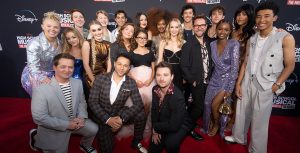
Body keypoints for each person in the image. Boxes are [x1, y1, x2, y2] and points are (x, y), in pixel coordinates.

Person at [225, 2, 295, 153]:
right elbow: (245, 62)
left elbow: (290, 65)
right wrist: (239, 83)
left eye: (267, 16)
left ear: (275, 17)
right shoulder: (253, 38)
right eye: (258, 16)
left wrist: (277, 84)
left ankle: (257, 149)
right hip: (247, 81)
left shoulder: (285, 37)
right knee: (241, 112)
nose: (262, 20)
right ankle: (239, 137)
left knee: (259, 120)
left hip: (267, 84)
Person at [29, 53, 98, 153]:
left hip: (75, 121)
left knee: (93, 128)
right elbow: (39, 117)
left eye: (70, 67)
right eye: (63, 67)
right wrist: (67, 125)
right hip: (55, 126)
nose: (67, 70)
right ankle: (35, 137)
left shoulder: (77, 83)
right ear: (54, 67)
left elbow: (81, 102)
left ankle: (84, 145)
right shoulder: (41, 90)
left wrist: (82, 117)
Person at [88, 53, 148, 153]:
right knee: (108, 149)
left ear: (129, 68)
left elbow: (138, 104)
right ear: (114, 63)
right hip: (102, 116)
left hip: (119, 113)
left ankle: (136, 141)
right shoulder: (101, 78)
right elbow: (92, 102)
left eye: (125, 65)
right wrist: (108, 120)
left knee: (141, 114)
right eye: (119, 64)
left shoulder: (130, 82)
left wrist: (121, 119)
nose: (122, 68)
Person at [202, 20, 240, 137]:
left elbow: (234, 68)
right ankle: (210, 121)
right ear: (216, 29)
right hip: (214, 79)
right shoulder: (212, 45)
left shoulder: (234, 44)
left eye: (226, 29)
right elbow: (210, 64)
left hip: (227, 81)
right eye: (220, 29)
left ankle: (217, 124)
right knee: (207, 103)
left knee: (215, 106)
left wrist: (230, 89)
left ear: (229, 31)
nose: (222, 32)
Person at [116, 29, 156, 138]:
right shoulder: (131, 54)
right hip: (136, 82)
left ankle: (145, 127)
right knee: (137, 105)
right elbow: (127, 70)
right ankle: (136, 126)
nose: (142, 40)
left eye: (144, 38)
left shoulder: (150, 53)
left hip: (148, 82)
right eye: (140, 38)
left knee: (148, 105)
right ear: (136, 39)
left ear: (147, 40)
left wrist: (150, 79)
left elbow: (153, 69)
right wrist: (135, 80)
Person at [180, 15, 213, 141]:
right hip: (196, 82)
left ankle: (188, 122)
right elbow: (184, 65)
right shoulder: (188, 44)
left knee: (199, 105)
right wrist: (191, 80)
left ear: (205, 26)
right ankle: (187, 128)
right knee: (199, 107)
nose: (199, 28)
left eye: (202, 25)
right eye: (197, 25)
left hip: (208, 81)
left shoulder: (210, 42)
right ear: (193, 27)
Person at [149, 62, 192, 153]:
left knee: (171, 143)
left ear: (172, 77)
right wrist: (154, 131)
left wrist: (155, 127)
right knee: (153, 149)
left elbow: (174, 125)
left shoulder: (177, 97)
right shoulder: (155, 90)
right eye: (158, 75)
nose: (161, 78)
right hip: (164, 120)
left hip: (179, 123)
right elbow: (154, 110)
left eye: (165, 75)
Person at [226, 4, 255, 131]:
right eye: (238, 14)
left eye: (244, 14)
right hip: (228, 69)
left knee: (238, 97)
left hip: (242, 70)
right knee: (228, 96)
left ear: (249, 16)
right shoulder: (232, 32)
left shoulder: (253, 33)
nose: (240, 17)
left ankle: (233, 122)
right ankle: (226, 117)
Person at [21, 11, 62, 96]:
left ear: (59, 28)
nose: (52, 29)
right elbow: (33, 68)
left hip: (54, 74)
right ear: (42, 26)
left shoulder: (61, 43)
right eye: (49, 26)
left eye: (56, 27)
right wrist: (46, 80)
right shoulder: (34, 43)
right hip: (36, 75)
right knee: (43, 100)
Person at [157, 18, 185, 91]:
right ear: (169, 28)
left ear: (179, 29)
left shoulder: (184, 43)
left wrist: (185, 77)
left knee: (178, 97)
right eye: (172, 27)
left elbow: (186, 63)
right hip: (166, 74)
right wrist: (158, 75)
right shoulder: (163, 42)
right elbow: (160, 60)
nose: (174, 29)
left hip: (180, 75)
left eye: (176, 27)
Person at [82, 20, 111, 89]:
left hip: (104, 77)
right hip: (91, 77)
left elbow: (109, 61)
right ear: (90, 32)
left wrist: (107, 77)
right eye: (94, 30)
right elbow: (85, 64)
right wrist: (93, 80)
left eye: (99, 29)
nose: (97, 32)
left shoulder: (108, 44)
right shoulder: (87, 43)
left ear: (102, 29)